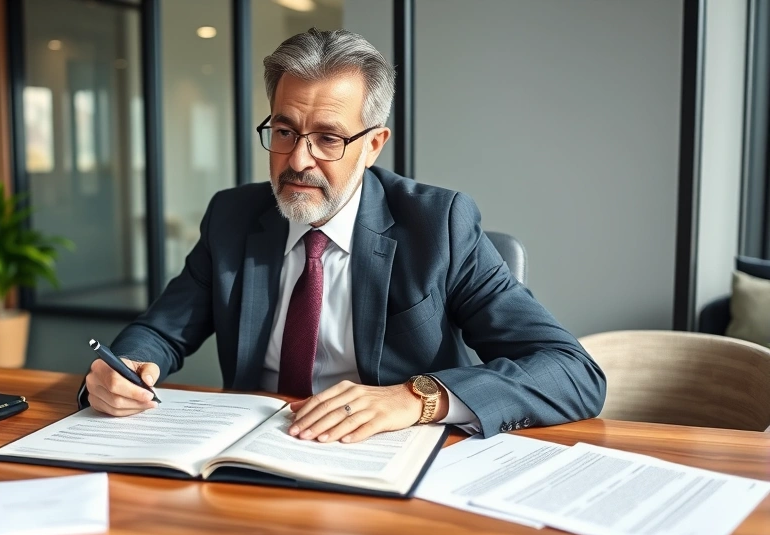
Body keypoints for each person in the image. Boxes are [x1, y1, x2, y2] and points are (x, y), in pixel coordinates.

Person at [80, 28, 605, 441]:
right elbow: (163, 331)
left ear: (373, 145)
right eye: (284, 131)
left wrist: (416, 397)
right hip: (245, 452)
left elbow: (571, 372)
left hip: (388, 457)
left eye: (328, 138)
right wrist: (121, 368)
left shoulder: (439, 224)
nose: (297, 159)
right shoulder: (233, 216)